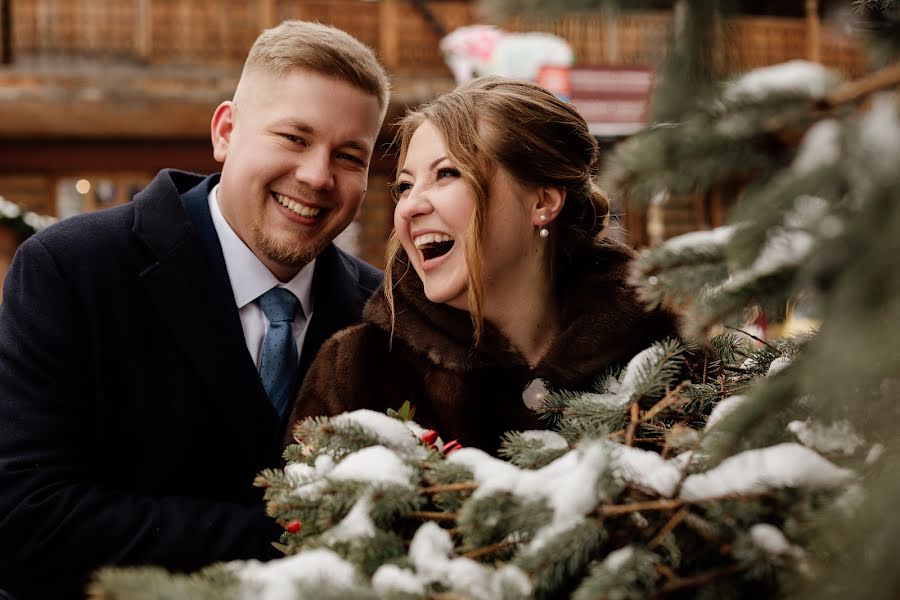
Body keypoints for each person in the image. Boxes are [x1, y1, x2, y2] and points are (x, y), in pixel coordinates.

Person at [0, 21, 389, 599]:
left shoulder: (383, 315)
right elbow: (23, 519)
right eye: (293, 137)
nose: (317, 175)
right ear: (226, 131)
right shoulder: (72, 268)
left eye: (350, 155)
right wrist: (292, 541)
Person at [289, 77, 679, 453]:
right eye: (405, 186)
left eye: (446, 173)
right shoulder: (358, 373)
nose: (409, 206)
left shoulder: (660, 355)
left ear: (542, 202)